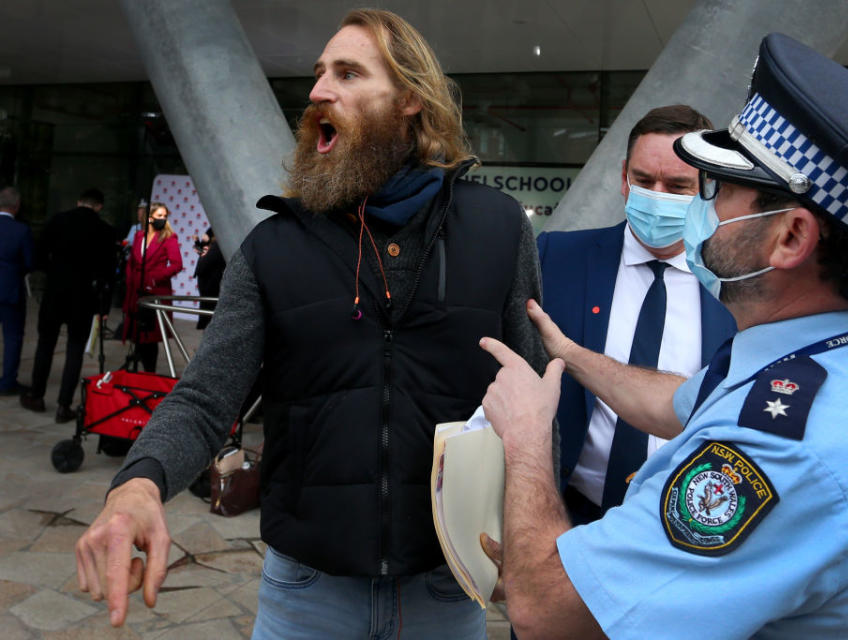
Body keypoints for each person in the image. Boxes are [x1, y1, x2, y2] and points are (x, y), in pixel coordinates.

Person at [75, 9, 550, 638]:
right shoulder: (274, 247)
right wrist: (138, 484)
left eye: (348, 73)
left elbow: (535, 404)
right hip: (305, 594)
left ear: (410, 98)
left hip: (448, 586)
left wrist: (533, 543)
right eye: (319, 74)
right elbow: (206, 396)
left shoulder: (497, 228)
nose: (319, 91)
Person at [478, 32, 848, 638]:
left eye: (718, 191)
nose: (700, 210)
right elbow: (676, 401)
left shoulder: (782, 447)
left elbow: (548, 609)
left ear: (790, 237)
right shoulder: (835, 355)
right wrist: (571, 357)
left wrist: (524, 440)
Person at [538, 105, 736, 524]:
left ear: (708, 188)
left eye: (677, 186)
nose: (656, 196)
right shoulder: (557, 258)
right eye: (644, 180)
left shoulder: (737, 287)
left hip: (685, 521)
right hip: (569, 512)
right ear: (624, 177)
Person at [20, 188, 116, 422]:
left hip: (56, 291)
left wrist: (49, 275)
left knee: (45, 344)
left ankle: (36, 394)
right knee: (75, 350)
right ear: (99, 206)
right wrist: (103, 309)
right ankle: (64, 405)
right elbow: (108, 272)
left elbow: (40, 255)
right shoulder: (104, 230)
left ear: (78, 201)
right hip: (84, 298)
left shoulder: (58, 221)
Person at [121, 201, 182, 373]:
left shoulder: (169, 237)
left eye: (165, 216)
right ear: (149, 218)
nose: (163, 219)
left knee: (150, 336)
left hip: (155, 292)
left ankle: (149, 372)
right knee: (137, 334)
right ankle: (137, 371)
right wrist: (130, 280)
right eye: (159, 215)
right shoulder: (139, 236)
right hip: (136, 290)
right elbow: (132, 262)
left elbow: (177, 264)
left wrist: (154, 278)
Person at [0, 186, 34, 396]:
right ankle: (7, 381)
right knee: (12, 337)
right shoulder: (21, 230)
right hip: (10, 290)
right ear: (17, 206)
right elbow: (29, 262)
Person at [192, 227, 224, 330]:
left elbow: (206, 262)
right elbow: (201, 251)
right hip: (208, 283)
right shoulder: (212, 245)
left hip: (212, 284)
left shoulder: (218, 245)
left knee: (209, 314)